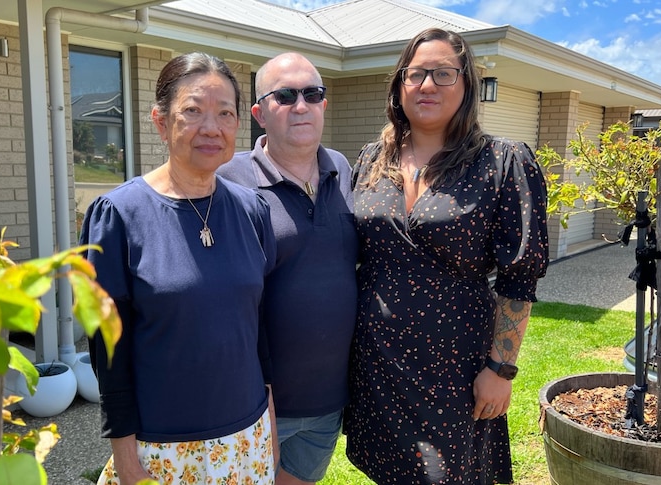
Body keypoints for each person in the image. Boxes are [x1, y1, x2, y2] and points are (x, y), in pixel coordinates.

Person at [343, 28, 549, 484]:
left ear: (467, 84)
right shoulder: (372, 159)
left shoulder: (501, 162)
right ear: (399, 86)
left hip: (455, 366)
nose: (428, 85)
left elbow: (519, 278)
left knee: (446, 474)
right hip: (377, 360)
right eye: (415, 74)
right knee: (388, 470)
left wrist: (501, 369)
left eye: (443, 73)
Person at [80, 52, 278, 485]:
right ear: (160, 121)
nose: (212, 127)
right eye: (193, 111)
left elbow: (255, 326)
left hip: (247, 435)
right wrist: (126, 458)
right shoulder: (117, 215)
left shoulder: (252, 210)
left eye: (225, 113)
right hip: (163, 448)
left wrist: (270, 423)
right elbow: (107, 352)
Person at [218, 52, 358, 484]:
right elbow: (225, 301)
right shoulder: (228, 180)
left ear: (323, 104)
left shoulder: (342, 168)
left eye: (312, 94)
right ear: (259, 113)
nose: (301, 105)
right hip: (255, 403)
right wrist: (261, 396)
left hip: (328, 400)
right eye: (285, 95)